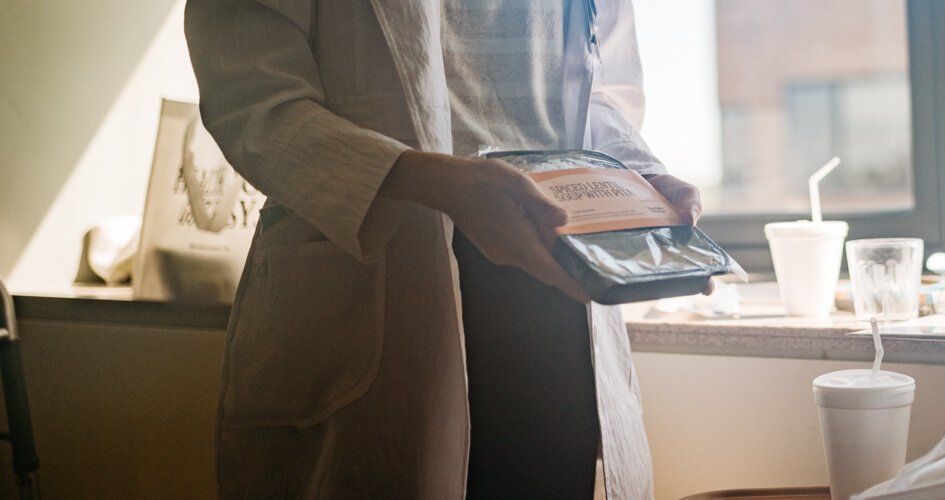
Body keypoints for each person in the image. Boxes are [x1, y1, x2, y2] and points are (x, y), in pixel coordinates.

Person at [185, 0, 697, 497]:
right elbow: (254, 103)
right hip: (376, 282)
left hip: (558, 294)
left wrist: (637, 178)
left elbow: (603, 92)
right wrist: (430, 181)